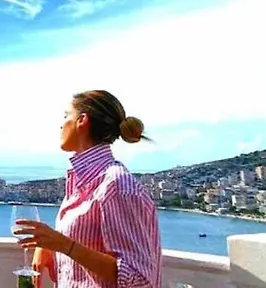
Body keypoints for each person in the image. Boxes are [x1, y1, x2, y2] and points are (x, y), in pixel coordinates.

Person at [13, 90, 162, 288]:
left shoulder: (116, 185)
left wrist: (64, 245)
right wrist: (51, 247)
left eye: (66, 116)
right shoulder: (84, 181)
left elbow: (139, 280)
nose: (61, 124)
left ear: (82, 120)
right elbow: (90, 242)